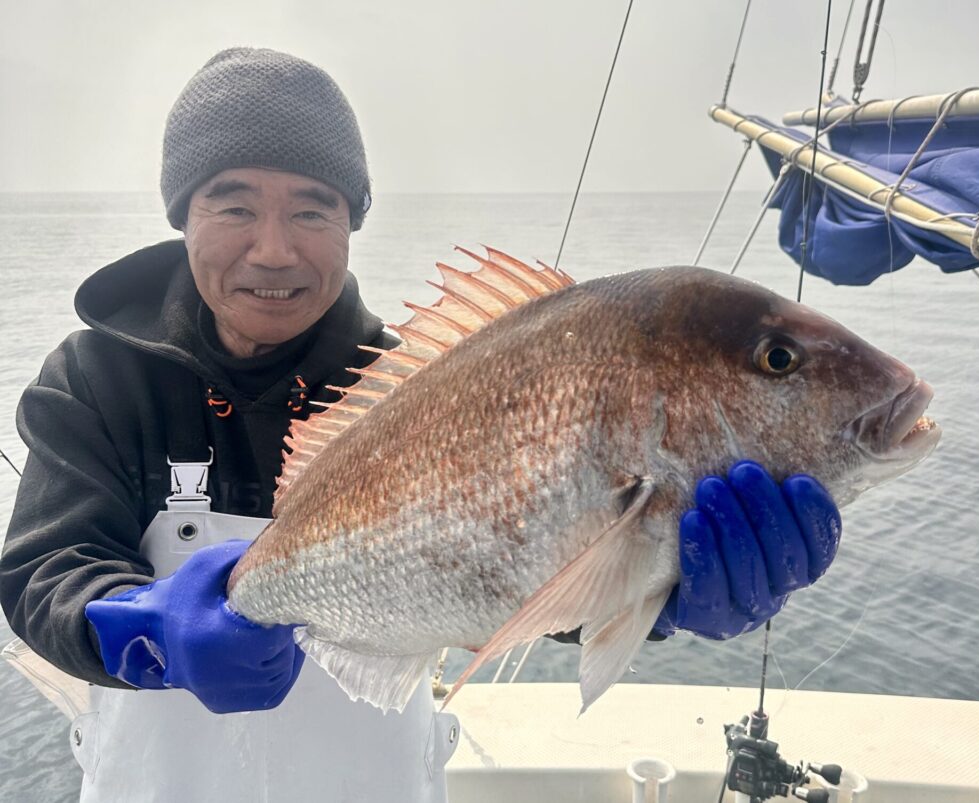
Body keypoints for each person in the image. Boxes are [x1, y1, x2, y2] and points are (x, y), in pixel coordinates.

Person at [0, 47, 840, 803]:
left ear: (352, 221)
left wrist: (661, 592)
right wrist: (144, 628)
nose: (274, 249)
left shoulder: (421, 387)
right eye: (233, 207)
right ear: (183, 215)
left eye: (313, 209)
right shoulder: (97, 376)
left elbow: (523, 567)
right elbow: (43, 568)